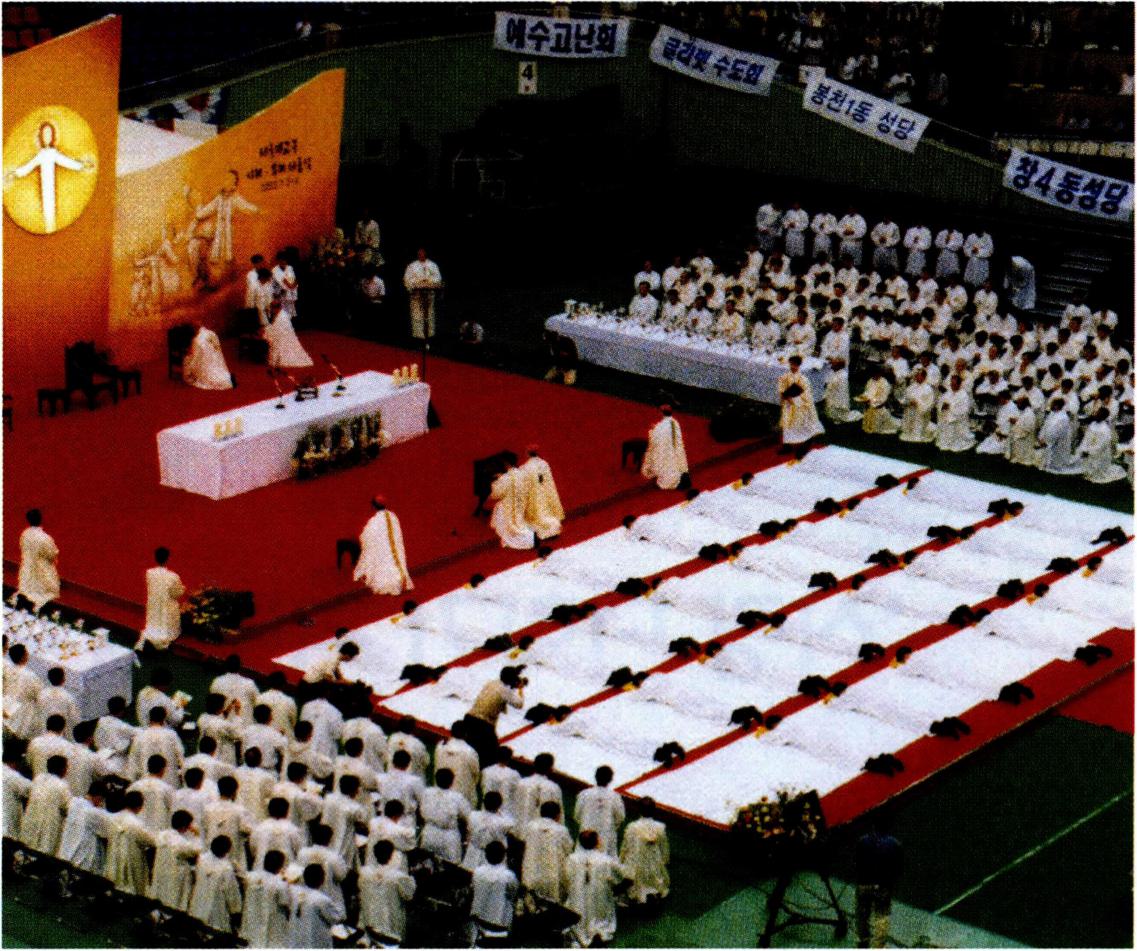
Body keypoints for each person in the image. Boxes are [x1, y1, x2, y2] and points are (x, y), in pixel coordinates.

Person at [564, 829, 626, 946]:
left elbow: (567, 877)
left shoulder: (572, 859)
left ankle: (582, 932)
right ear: (597, 842)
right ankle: (597, 930)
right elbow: (619, 876)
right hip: (599, 898)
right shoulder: (605, 860)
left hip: (578, 898)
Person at [855, 817, 903, 948]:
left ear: (873, 826)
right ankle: (878, 946)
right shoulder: (895, 844)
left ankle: (863, 941)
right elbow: (898, 868)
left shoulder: (862, 841)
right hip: (883, 886)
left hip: (864, 884)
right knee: (882, 916)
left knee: (862, 914)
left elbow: (856, 862)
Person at [359, 840, 417, 945]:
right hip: (389, 922)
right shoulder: (398, 877)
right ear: (391, 855)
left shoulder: (364, 872)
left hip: (369, 918)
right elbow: (408, 895)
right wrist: (413, 876)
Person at [464, 667, 525, 767]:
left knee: (471, 749)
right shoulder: (505, 691)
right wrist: (521, 689)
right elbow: (519, 704)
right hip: (483, 724)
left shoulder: (491, 683)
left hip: (470, 718)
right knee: (491, 754)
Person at [354, 496, 413, 595]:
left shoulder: (375, 521)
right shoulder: (393, 516)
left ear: (374, 507)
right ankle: (401, 579)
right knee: (395, 560)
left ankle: (392, 582)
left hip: (383, 549)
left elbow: (366, 536)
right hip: (394, 547)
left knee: (385, 561)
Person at [149, 809, 201, 913]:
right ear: (185, 826)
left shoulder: (161, 835)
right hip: (175, 876)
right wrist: (197, 835)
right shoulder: (181, 843)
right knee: (174, 900)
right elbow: (197, 850)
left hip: (161, 871)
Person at [619, 797, 669, 905]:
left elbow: (626, 847)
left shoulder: (632, 827)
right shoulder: (660, 827)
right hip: (653, 864)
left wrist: (621, 860)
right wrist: (664, 861)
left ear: (639, 810)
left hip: (636, 865)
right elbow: (664, 847)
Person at [520, 800, 572, 902]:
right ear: (557, 815)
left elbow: (523, 842)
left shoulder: (531, 826)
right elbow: (568, 849)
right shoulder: (561, 830)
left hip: (532, 873)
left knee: (530, 904)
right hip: (553, 876)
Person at [189, 835, 243, 933]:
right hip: (216, 908)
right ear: (227, 851)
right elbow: (231, 892)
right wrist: (235, 910)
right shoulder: (226, 868)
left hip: (198, 903)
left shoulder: (201, 859)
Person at [136, 547, 185, 652]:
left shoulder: (149, 573)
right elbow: (176, 594)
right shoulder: (173, 576)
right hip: (167, 608)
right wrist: (183, 589)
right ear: (168, 559)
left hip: (154, 605)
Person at [239, 850, 292, 948]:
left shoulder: (251, 877)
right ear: (280, 866)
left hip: (252, 917)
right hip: (272, 924)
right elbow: (285, 903)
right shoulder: (279, 884)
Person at [469, 840, 519, 939]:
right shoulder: (508, 876)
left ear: (486, 855)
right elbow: (513, 894)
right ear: (503, 856)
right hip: (499, 922)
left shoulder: (478, 872)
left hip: (478, 917)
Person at [22, 754, 71, 854]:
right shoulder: (62, 786)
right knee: (45, 850)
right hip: (49, 823)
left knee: (28, 847)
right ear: (62, 769)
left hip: (33, 818)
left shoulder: (38, 779)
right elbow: (68, 807)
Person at [419, 767, 469, 863]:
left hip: (430, 832)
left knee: (426, 863)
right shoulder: (457, 797)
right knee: (451, 865)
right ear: (452, 782)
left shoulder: (426, 792)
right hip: (448, 836)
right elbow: (468, 816)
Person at [288, 863, 344, 948]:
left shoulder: (294, 894)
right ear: (322, 879)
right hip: (315, 941)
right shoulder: (322, 900)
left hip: (297, 940)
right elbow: (336, 918)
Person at [575, 766, 625, 857]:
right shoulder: (615, 797)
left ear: (595, 776)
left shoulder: (584, 794)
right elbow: (620, 817)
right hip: (606, 834)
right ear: (610, 779)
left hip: (586, 833)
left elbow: (577, 815)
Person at [17, 508, 59, 613]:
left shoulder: (25, 534)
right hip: (41, 571)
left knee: (27, 591)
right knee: (41, 596)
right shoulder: (44, 538)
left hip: (27, 568)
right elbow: (52, 554)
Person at [778, 355, 825, 449]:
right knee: (787, 424)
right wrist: (784, 395)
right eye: (791, 364)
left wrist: (796, 399)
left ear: (798, 365)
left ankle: (805, 441)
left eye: (795, 365)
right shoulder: (785, 377)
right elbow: (781, 387)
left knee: (800, 423)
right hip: (788, 404)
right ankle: (787, 444)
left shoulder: (803, 379)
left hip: (799, 403)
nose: (792, 366)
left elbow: (807, 393)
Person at [489, 461, 537, 550]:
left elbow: (495, 494)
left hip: (511, 506)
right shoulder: (524, 473)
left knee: (500, 510)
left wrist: (498, 481)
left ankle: (528, 538)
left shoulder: (505, 479)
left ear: (506, 465)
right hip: (526, 503)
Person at [642, 404, 689, 490]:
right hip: (675, 450)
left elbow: (655, 439)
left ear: (661, 413)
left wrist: (651, 431)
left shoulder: (660, 426)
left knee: (657, 457)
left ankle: (668, 480)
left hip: (666, 451)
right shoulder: (675, 423)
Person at [1076, 407, 1127, 483]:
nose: (1096, 415)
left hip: (1100, 454)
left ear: (1103, 416)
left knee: (1096, 469)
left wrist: (1090, 451)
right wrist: (1084, 449)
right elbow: (1086, 438)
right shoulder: (1093, 424)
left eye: (1098, 414)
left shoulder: (1105, 429)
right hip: (1090, 449)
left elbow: (1102, 446)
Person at [403, 248, 443, 339]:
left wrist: (428, 281)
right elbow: (407, 279)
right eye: (419, 253)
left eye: (422, 253)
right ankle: (418, 336)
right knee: (417, 315)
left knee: (429, 314)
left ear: (426, 253)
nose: (421, 255)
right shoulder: (412, 266)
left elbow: (438, 278)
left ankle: (429, 335)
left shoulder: (433, 265)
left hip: (429, 294)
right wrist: (418, 282)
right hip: (416, 295)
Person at [1036, 399, 1083, 475]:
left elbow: (1057, 432)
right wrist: (1041, 437)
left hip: (1058, 443)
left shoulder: (1063, 418)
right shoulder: (1052, 414)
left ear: (1056, 406)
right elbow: (1045, 426)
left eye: (1052, 404)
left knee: (1055, 462)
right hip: (1047, 441)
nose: (1050, 405)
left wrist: (1047, 441)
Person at [184, 323, 234, 390]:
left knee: (187, 360)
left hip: (203, 361)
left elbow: (194, 356)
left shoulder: (196, 340)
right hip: (214, 359)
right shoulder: (211, 333)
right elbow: (217, 347)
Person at [264, 300, 313, 369]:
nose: (271, 310)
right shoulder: (282, 314)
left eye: (272, 308)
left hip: (282, 339)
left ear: (275, 308)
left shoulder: (281, 317)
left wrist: (266, 331)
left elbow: (276, 331)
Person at [935, 375, 975, 452]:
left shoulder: (963, 395)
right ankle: (945, 442)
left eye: (954, 384)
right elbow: (940, 403)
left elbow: (964, 410)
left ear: (959, 384)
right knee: (944, 422)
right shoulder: (947, 393)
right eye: (951, 383)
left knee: (952, 423)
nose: (952, 385)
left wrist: (950, 407)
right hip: (946, 416)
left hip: (957, 419)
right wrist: (943, 406)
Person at [858, 368, 901, 435]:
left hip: (878, 404)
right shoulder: (870, 381)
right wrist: (864, 397)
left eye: (875, 375)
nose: (873, 377)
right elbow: (867, 391)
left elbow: (883, 398)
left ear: (879, 374)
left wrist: (872, 400)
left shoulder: (884, 383)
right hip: (869, 403)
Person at [899, 367, 936, 443]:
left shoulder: (928, 389)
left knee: (918, 428)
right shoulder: (911, 387)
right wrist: (908, 402)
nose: (917, 377)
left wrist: (917, 403)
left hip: (921, 413)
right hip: (910, 411)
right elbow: (905, 398)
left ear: (924, 377)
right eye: (916, 375)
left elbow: (930, 404)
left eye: (919, 375)